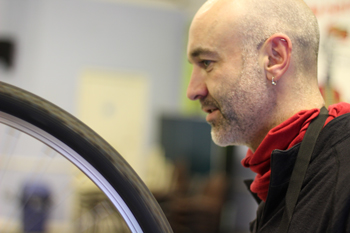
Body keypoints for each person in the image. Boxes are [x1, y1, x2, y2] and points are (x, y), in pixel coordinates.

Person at [186, 0, 350, 232]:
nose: (193, 91)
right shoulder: (280, 178)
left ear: (275, 58)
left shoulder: (343, 175)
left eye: (207, 63)